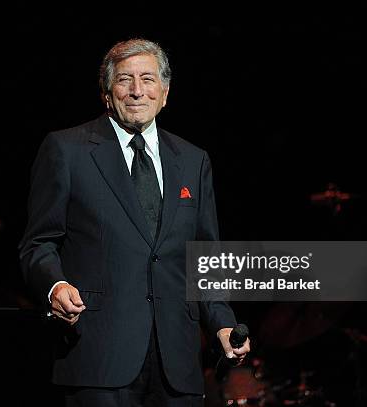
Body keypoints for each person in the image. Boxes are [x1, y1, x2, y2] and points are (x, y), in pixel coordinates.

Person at [18, 38, 250, 406]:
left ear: (165, 92)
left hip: (178, 362)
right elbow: (38, 243)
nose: (137, 91)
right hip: (99, 355)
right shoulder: (67, 150)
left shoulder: (193, 160)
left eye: (148, 79)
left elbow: (205, 258)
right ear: (107, 94)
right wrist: (55, 285)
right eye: (125, 80)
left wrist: (221, 321)